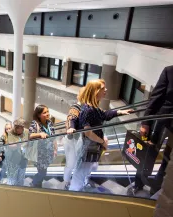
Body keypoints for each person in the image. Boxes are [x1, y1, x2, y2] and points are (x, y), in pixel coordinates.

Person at [69, 79, 132, 191]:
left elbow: (104, 115)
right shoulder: (88, 110)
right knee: (81, 171)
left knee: (85, 169)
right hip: (89, 146)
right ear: (95, 91)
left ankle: (80, 186)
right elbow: (88, 133)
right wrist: (102, 141)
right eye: (103, 88)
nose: (106, 90)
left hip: (92, 145)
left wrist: (119, 112)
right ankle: (74, 192)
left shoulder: (94, 107)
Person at [130, 66, 173, 195]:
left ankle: (157, 187)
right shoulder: (169, 71)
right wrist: (146, 122)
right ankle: (138, 184)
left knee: (167, 160)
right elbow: (156, 97)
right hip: (161, 121)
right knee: (148, 153)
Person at [29, 105, 57, 188]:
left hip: (48, 152)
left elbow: (53, 137)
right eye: (44, 112)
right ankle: (34, 182)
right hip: (39, 154)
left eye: (47, 111)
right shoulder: (35, 123)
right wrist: (40, 134)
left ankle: (38, 184)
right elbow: (30, 135)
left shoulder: (50, 123)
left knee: (43, 171)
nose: (47, 114)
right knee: (42, 172)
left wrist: (55, 149)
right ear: (38, 115)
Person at [63, 87, 84, 190]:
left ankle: (73, 181)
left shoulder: (87, 108)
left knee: (76, 163)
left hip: (78, 140)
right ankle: (67, 181)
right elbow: (71, 118)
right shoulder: (76, 107)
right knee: (71, 163)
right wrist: (71, 128)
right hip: (72, 140)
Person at [4, 118, 29, 186]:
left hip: (23, 159)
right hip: (13, 160)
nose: (15, 129)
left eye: (18, 128)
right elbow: (11, 146)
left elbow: (30, 140)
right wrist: (19, 143)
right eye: (15, 127)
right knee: (12, 179)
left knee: (21, 178)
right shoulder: (11, 133)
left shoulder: (26, 131)